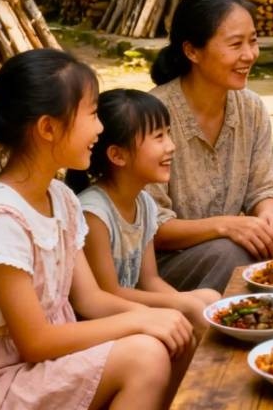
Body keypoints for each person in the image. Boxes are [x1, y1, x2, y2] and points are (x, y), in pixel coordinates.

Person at [0, 49, 195, 410]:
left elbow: (91, 299)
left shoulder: (61, 198)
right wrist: (142, 322)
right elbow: (35, 341)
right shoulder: (0, 218)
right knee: (145, 355)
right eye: (93, 114)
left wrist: (165, 315)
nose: (100, 128)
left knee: (176, 335)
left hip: (29, 365)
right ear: (48, 128)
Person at [149, 0, 273, 293]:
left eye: (253, 41)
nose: (249, 55)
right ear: (192, 51)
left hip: (226, 244)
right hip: (164, 264)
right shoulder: (154, 116)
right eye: (236, 44)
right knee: (232, 253)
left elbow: (265, 187)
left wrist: (269, 219)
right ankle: (223, 338)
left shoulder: (251, 108)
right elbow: (152, 227)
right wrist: (225, 225)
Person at [68, 89, 222, 353]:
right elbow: (108, 292)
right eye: (158, 137)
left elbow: (149, 280)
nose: (171, 146)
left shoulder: (145, 203)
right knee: (195, 309)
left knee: (209, 300)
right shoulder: (94, 213)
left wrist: (185, 304)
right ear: (118, 155)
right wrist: (182, 306)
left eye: (168, 134)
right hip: (104, 323)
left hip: (130, 308)